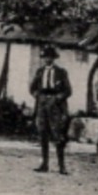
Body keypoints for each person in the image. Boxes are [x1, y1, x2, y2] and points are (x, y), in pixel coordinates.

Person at [30, 44, 73, 175]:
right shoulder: (40, 71)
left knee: (58, 135)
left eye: (50, 57)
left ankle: (62, 166)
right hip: (42, 104)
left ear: (54, 58)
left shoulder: (61, 72)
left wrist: (57, 98)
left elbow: (68, 91)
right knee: (43, 133)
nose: (47, 59)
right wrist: (38, 96)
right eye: (45, 57)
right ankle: (44, 164)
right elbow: (32, 88)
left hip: (56, 106)